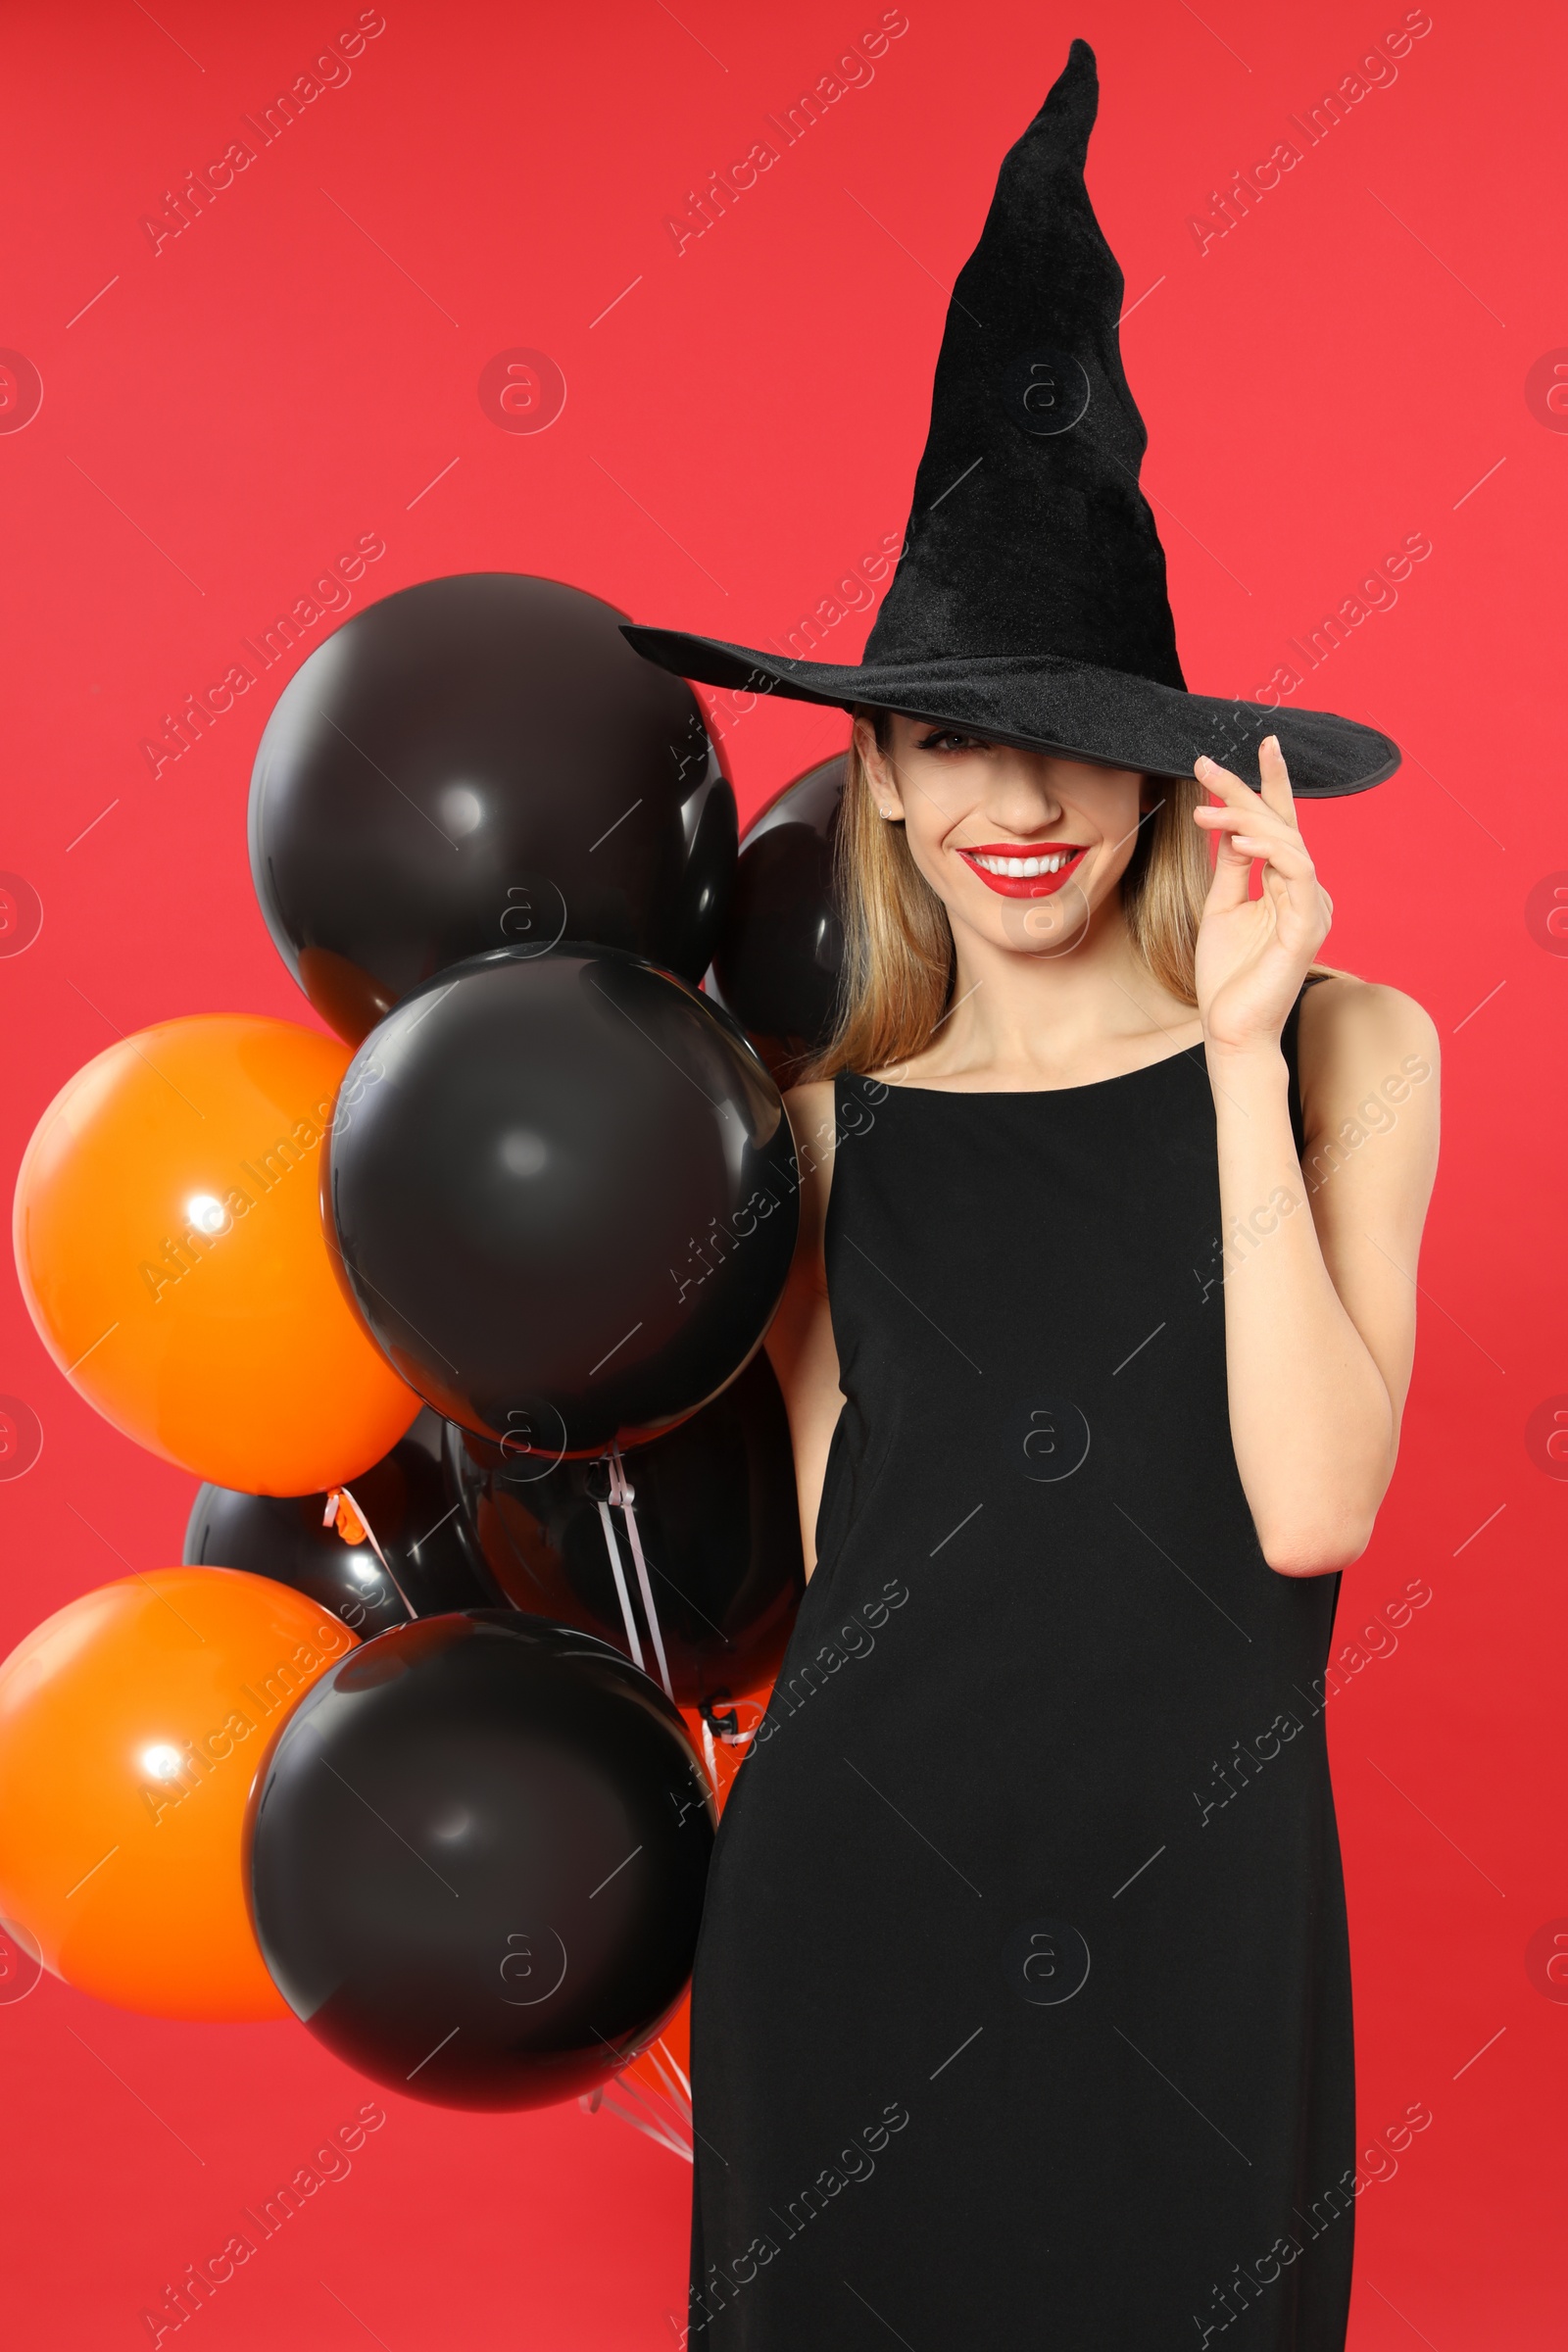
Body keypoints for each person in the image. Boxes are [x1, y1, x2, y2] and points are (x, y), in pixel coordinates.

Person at [624, 39, 1438, 2350]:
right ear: (872, 773)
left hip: (1205, 1931)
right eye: (954, 728)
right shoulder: (800, 1123)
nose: (1021, 795)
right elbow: (798, 1588)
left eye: (1083, 727)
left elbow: (1302, 1509)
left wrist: (1235, 1046)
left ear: (1173, 770)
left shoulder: (1348, 1053)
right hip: (856, 1914)